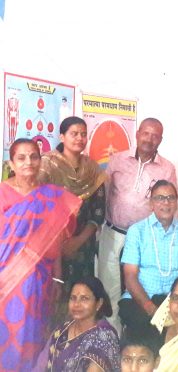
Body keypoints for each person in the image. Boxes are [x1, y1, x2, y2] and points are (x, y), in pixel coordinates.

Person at [0, 138, 81, 371]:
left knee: (34, 334)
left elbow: (52, 241)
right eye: (21, 158)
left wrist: (57, 277)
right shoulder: (2, 193)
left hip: (39, 279)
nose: (29, 162)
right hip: (6, 280)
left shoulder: (51, 196)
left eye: (34, 157)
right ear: (11, 163)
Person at [97, 117, 178, 331]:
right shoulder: (117, 160)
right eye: (146, 133)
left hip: (145, 239)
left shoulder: (167, 168)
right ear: (137, 133)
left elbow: (171, 203)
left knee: (138, 289)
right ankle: (112, 340)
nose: (149, 139)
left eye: (155, 136)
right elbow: (102, 192)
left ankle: (136, 339)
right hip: (113, 233)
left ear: (160, 140)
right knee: (110, 288)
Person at [119, 180, 178, 336]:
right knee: (145, 329)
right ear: (151, 203)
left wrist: (177, 306)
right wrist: (151, 308)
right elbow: (130, 277)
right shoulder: (136, 231)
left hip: (175, 301)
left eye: (171, 198)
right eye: (160, 198)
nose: (166, 202)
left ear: (177, 203)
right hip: (141, 300)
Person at [38, 116, 106, 291]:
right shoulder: (46, 165)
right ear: (62, 137)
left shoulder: (92, 169)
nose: (79, 138)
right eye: (74, 134)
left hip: (84, 245)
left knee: (82, 294)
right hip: (50, 244)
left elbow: (98, 211)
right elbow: (38, 207)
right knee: (53, 294)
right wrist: (59, 243)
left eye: (83, 134)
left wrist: (78, 241)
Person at [42, 276, 120, 371]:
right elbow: (40, 366)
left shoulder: (104, 337)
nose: (76, 304)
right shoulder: (61, 331)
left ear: (99, 303)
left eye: (84, 299)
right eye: (73, 298)